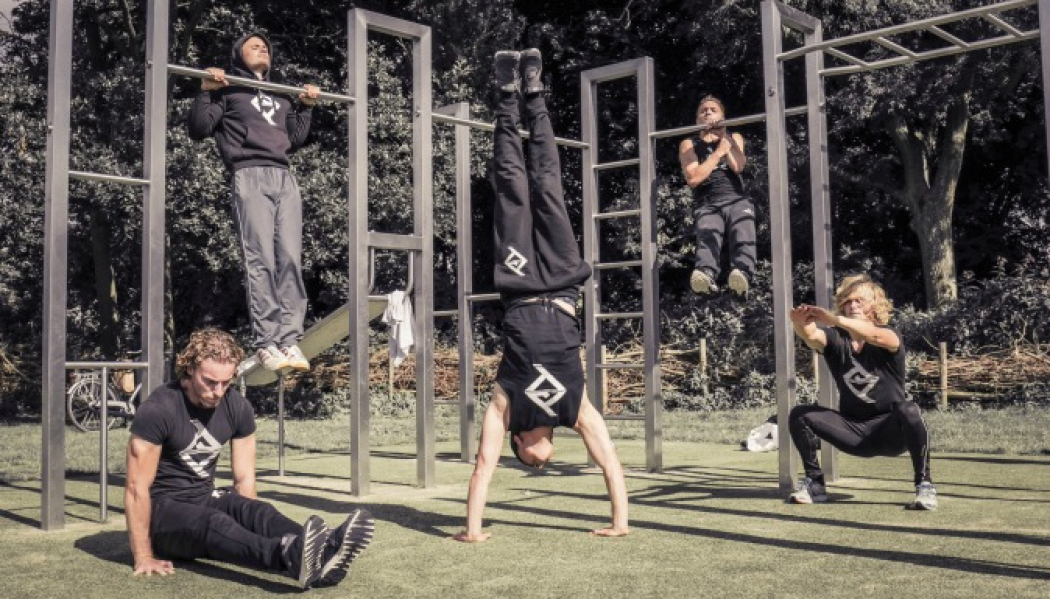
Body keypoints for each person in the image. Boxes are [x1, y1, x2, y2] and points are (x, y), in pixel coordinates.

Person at [452, 49, 629, 543]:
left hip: (522, 286)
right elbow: (609, 459)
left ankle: (508, 97)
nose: (538, 465)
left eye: (531, 465)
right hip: (564, 284)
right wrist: (620, 524)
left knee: (512, 188)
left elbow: (485, 464)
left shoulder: (506, 408)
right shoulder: (575, 410)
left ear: (523, 447)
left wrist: (472, 531)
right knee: (548, 188)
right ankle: (536, 94)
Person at [124, 329, 374, 588]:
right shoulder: (159, 409)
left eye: (226, 382)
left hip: (203, 499)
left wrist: (246, 531)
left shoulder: (237, 407)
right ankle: (288, 556)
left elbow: (244, 479)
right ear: (189, 370)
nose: (218, 391)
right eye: (209, 382)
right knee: (214, 522)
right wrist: (143, 556)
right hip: (162, 514)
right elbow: (136, 489)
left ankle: (325, 554)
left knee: (255, 510)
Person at [188, 32, 320, 373]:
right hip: (249, 173)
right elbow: (200, 128)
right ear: (239, 55)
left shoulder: (282, 93)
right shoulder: (230, 88)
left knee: (290, 257)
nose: (262, 48)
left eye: (266, 47)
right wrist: (206, 91)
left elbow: (295, 138)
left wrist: (305, 106)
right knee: (260, 259)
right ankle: (266, 343)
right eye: (254, 46)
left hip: (284, 177)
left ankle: (289, 339)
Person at [787, 274, 937, 510]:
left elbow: (875, 335)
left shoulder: (889, 333)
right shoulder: (836, 339)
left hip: (890, 433)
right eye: (847, 301)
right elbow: (813, 336)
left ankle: (924, 485)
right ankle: (815, 484)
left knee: (909, 409)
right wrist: (798, 321)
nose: (852, 305)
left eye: (859, 300)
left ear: (875, 306)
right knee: (800, 414)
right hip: (854, 432)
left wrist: (834, 319)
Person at [678, 96, 755, 297]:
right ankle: (705, 276)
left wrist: (724, 140)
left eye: (713, 110)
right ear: (697, 121)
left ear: (722, 117)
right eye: (703, 111)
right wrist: (717, 153)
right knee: (708, 236)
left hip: (736, 198)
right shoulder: (689, 144)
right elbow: (694, 178)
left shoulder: (734, 138)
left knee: (742, 230)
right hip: (708, 202)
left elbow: (738, 166)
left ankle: (742, 273)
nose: (708, 113)